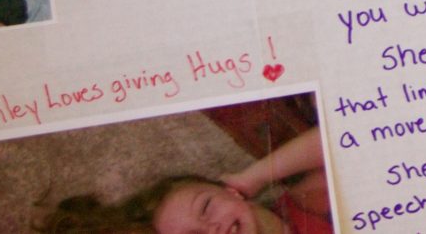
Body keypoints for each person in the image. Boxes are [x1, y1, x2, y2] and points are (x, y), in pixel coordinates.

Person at [42, 100, 328, 234]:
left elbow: (345, 137)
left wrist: (254, 176)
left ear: (234, 192)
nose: (213, 229)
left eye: (206, 207)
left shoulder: (303, 207)